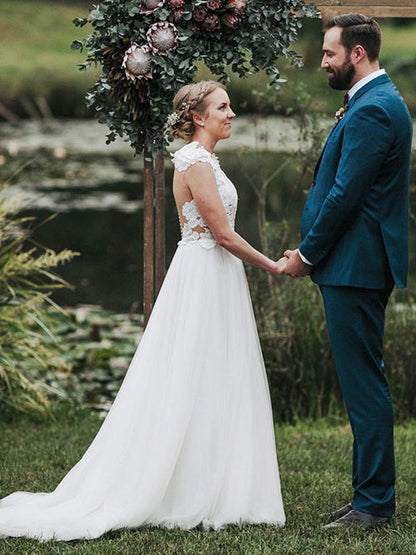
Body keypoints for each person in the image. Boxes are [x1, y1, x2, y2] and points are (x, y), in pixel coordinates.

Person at [0, 80, 285, 541]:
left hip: (215, 274)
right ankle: (186, 485)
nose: (231, 113)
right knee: (192, 371)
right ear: (198, 117)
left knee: (214, 373)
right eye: (223, 107)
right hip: (204, 273)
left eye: (230, 106)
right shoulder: (193, 160)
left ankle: (219, 481)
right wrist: (273, 265)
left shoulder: (206, 160)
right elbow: (224, 235)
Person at [280, 14, 413, 529]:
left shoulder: (375, 110)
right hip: (354, 264)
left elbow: (344, 197)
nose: (323, 63)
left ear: (357, 54)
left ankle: (375, 503)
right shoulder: (374, 103)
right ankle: (367, 495)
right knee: (363, 382)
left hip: (355, 266)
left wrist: (307, 254)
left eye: (329, 54)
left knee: (364, 388)